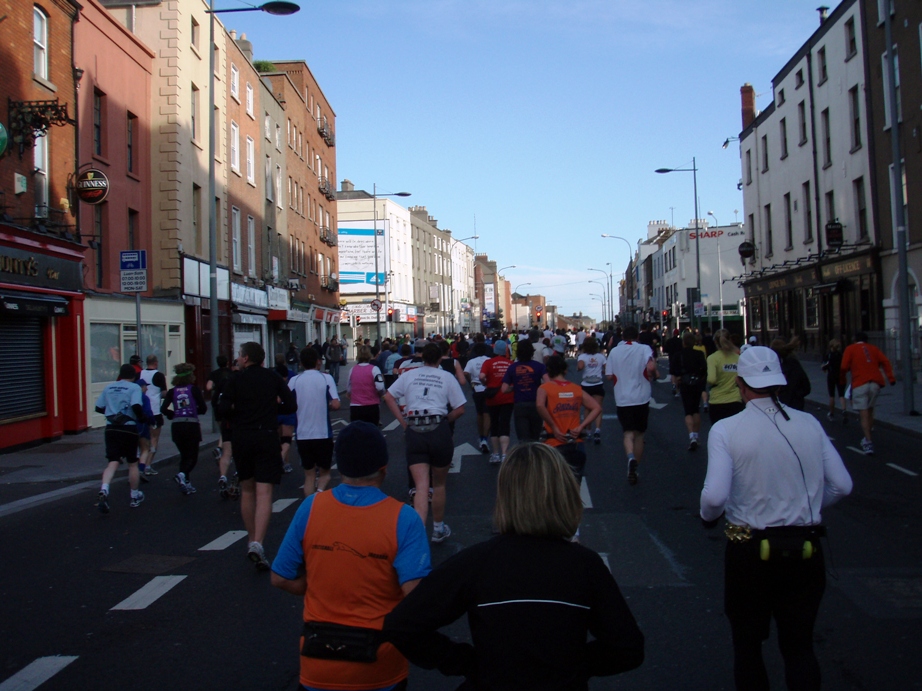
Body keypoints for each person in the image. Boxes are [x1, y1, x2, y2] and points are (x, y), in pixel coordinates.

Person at [383, 442, 645, 690]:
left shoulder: (478, 562)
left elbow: (402, 625)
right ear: (564, 494)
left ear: (505, 496)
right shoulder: (585, 565)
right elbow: (627, 648)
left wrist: (467, 662)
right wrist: (573, 665)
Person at [700, 346, 853, 691]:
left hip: (750, 551)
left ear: (741, 383)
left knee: (748, 647)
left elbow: (713, 497)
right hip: (805, 549)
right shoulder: (809, 423)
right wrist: (810, 505)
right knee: (799, 647)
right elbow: (842, 485)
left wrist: (709, 518)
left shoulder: (726, 430)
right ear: (779, 384)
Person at [271, 421, 431, 691]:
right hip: (379, 666)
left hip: (318, 661)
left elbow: (279, 577)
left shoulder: (311, 508)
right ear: (384, 469)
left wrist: (313, 584)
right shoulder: (404, 518)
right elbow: (416, 596)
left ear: (340, 468)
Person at [217, 341, 297, 571]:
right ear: (262, 359)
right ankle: (258, 543)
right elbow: (291, 405)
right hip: (266, 435)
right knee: (265, 491)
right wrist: (272, 410)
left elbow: (221, 409)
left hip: (242, 437)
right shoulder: (272, 378)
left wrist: (238, 410)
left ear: (245, 358)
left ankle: (250, 537)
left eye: (240, 355)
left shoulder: (235, 379)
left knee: (248, 489)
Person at [383, 343, 467, 543]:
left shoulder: (409, 375)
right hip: (438, 429)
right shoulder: (446, 377)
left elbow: (388, 396)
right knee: (439, 484)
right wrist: (446, 419)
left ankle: (419, 531)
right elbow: (461, 408)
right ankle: (438, 528)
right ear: (440, 359)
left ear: (422, 358)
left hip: (415, 429)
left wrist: (403, 422)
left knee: (421, 486)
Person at [537, 355, 602, 493]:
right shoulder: (576, 389)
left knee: (553, 487)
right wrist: (581, 426)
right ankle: (573, 512)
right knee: (574, 487)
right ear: (565, 370)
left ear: (548, 371)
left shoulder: (545, 388)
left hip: (553, 443)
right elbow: (597, 408)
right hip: (575, 442)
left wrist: (553, 426)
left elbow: (539, 405)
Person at [606, 325, 657, 485]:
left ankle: (630, 457)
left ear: (622, 337)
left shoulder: (614, 351)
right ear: (637, 337)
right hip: (641, 396)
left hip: (622, 397)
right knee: (640, 434)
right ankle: (635, 468)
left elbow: (608, 375)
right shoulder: (644, 349)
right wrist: (653, 374)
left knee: (628, 432)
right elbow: (651, 366)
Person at [94, 364, 147, 513]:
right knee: (132, 463)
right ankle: (135, 496)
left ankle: (104, 489)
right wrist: (142, 418)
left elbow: (98, 407)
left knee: (113, 461)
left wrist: (112, 413)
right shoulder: (134, 388)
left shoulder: (109, 387)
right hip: (128, 427)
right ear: (134, 376)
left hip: (111, 428)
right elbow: (136, 405)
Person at [288, 347, 340, 496]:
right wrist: (326, 404)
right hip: (323, 433)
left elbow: (282, 401)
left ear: (301, 363)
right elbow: (336, 404)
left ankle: (309, 504)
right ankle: (319, 493)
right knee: (325, 473)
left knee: (309, 475)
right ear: (318, 361)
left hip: (302, 434)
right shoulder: (326, 378)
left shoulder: (294, 380)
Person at [840, 331, 896, 456]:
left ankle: (868, 442)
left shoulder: (850, 349)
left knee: (863, 414)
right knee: (870, 411)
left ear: (855, 340)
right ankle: (867, 436)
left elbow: (843, 367)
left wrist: (843, 379)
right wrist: (891, 378)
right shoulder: (874, 349)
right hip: (875, 383)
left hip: (860, 383)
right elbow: (885, 362)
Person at [160, 363, 208, 494]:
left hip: (177, 425)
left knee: (184, 456)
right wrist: (194, 410)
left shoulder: (172, 391)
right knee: (192, 456)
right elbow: (203, 408)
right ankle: (182, 474)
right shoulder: (194, 390)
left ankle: (186, 483)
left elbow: (163, 409)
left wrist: (172, 414)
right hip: (191, 425)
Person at [501, 341, 549, 443]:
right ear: (531, 352)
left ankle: (525, 457)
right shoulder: (539, 366)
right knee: (535, 437)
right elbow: (548, 383)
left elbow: (504, 389)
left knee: (523, 439)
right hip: (536, 404)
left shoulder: (513, 367)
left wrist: (515, 387)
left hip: (520, 404)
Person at [480, 341, 515, 465]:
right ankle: (505, 454)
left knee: (494, 424)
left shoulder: (488, 363)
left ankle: (495, 454)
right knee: (505, 424)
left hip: (492, 397)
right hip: (507, 396)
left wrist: (486, 383)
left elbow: (481, 376)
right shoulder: (510, 364)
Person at [206, 355, 235, 492]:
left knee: (226, 448)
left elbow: (208, 387)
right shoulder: (233, 377)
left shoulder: (217, 376)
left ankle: (223, 475)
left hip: (222, 411)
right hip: (238, 418)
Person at [676, 332, 708, 451]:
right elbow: (704, 369)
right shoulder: (699, 354)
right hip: (696, 383)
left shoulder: (680, 355)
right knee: (695, 410)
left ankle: (691, 437)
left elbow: (675, 371)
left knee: (688, 411)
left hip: (685, 384)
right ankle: (696, 435)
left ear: (683, 342)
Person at [137, 355, 168, 471]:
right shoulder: (159, 375)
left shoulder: (139, 374)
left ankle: (141, 462)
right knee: (154, 438)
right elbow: (164, 393)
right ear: (155, 363)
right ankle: (148, 465)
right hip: (155, 410)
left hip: (142, 410)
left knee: (143, 438)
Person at [706, 329, 744, 424]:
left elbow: (711, 379)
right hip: (735, 399)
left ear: (715, 342)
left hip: (717, 401)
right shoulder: (738, 357)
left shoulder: (712, 358)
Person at [576, 336, 607, 443]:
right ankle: (597, 430)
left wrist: (580, 367)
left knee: (588, 409)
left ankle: (588, 431)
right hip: (598, 384)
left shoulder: (582, 356)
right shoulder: (601, 356)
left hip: (586, 385)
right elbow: (606, 369)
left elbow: (580, 367)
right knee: (598, 408)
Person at [463, 341, 492, 454]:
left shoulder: (471, 361)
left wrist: (471, 382)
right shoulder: (488, 360)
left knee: (479, 413)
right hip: (487, 387)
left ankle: (481, 437)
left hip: (477, 388)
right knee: (487, 414)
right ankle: (485, 438)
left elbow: (465, 373)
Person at [346, 344, 386, 425]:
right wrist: (381, 394)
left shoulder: (352, 370)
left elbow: (349, 388)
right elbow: (380, 387)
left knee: (357, 432)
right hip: (371, 405)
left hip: (355, 406)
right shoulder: (374, 369)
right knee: (371, 431)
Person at [770, 337, 811, 412]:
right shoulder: (794, 364)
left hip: (785, 407)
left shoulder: (777, 368)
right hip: (796, 406)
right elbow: (806, 388)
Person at [274, 353, 297, 474]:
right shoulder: (291, 374)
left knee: (279, 439)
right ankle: (284, 462)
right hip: (288, 410)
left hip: (276, 411)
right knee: (287, 439)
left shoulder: (271, 375)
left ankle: (283, 461)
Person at [821, 338, 846, 423]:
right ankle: (844, 410)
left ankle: (831, 413)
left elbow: (824, 367)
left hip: (831, 375)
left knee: (832, 395)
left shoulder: (828, 355)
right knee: (841, 394)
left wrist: (824, 368)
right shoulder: (840, 355)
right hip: (840, 375)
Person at [663, 328, 683, 397]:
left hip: (672, 358)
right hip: (680, 359)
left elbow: (665, 350)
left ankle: (674, 383)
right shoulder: (681, 341)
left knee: (673, 373)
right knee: (679, 373)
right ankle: (678, 387)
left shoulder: (669, 341)